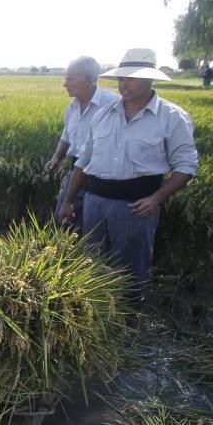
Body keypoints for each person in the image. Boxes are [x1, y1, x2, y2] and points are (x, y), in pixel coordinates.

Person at [58, 48, 198, 299]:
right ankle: (97, 318)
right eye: (121, 79)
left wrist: (156, 199)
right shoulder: (103, 115)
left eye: (130, 78)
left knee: (129, 270)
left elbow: (186, 166)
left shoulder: (172, 118)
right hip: (94, 202)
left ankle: (127, 324)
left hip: (135, 206)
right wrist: (69, 201)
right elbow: (83, 162)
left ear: (148, 79)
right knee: (92, 264)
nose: (123, 85)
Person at [43, 56, 120, 233]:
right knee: (62, 220)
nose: (65, 84)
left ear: (87, 79)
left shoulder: (112, 105)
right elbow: (67, 136)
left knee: (88, 226)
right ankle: (65, 257)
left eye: (70, 79)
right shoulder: (72, 107)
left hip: (101, 174)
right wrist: (56, 157)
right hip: (76, 171)